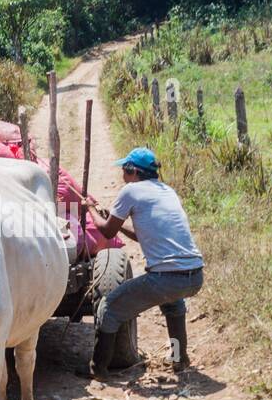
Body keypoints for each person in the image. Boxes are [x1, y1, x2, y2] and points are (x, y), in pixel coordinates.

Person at [80, 147, 204, 378]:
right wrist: (110, 217)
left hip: (167, 279)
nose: (122, 176)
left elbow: (107, 232)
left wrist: (90, 210)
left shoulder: (131, 191)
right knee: (173, 305)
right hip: (194, 275)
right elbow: (140, 234)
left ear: (133, 171)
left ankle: (98, 368)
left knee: (108, 308)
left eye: (124, 171)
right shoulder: (167, 191)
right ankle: (179, 359)